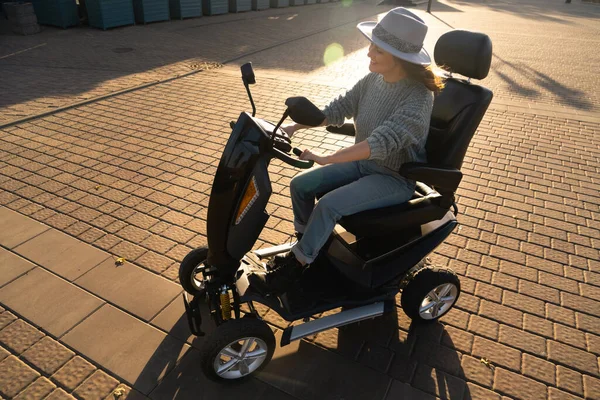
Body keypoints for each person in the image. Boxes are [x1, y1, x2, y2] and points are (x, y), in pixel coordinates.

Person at [252, 7, 445, 295]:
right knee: (301, 185)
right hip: (365, 167)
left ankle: (296, 268)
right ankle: (307, 249)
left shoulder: (418, 98)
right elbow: (337, 108)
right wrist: (293, 127)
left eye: (378, 50)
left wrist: (326, 158)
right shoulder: (373, 80)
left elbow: (378, 144)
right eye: (372, 45)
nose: (369, 53)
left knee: (328, 204)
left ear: (400, 58)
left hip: (393, 178)